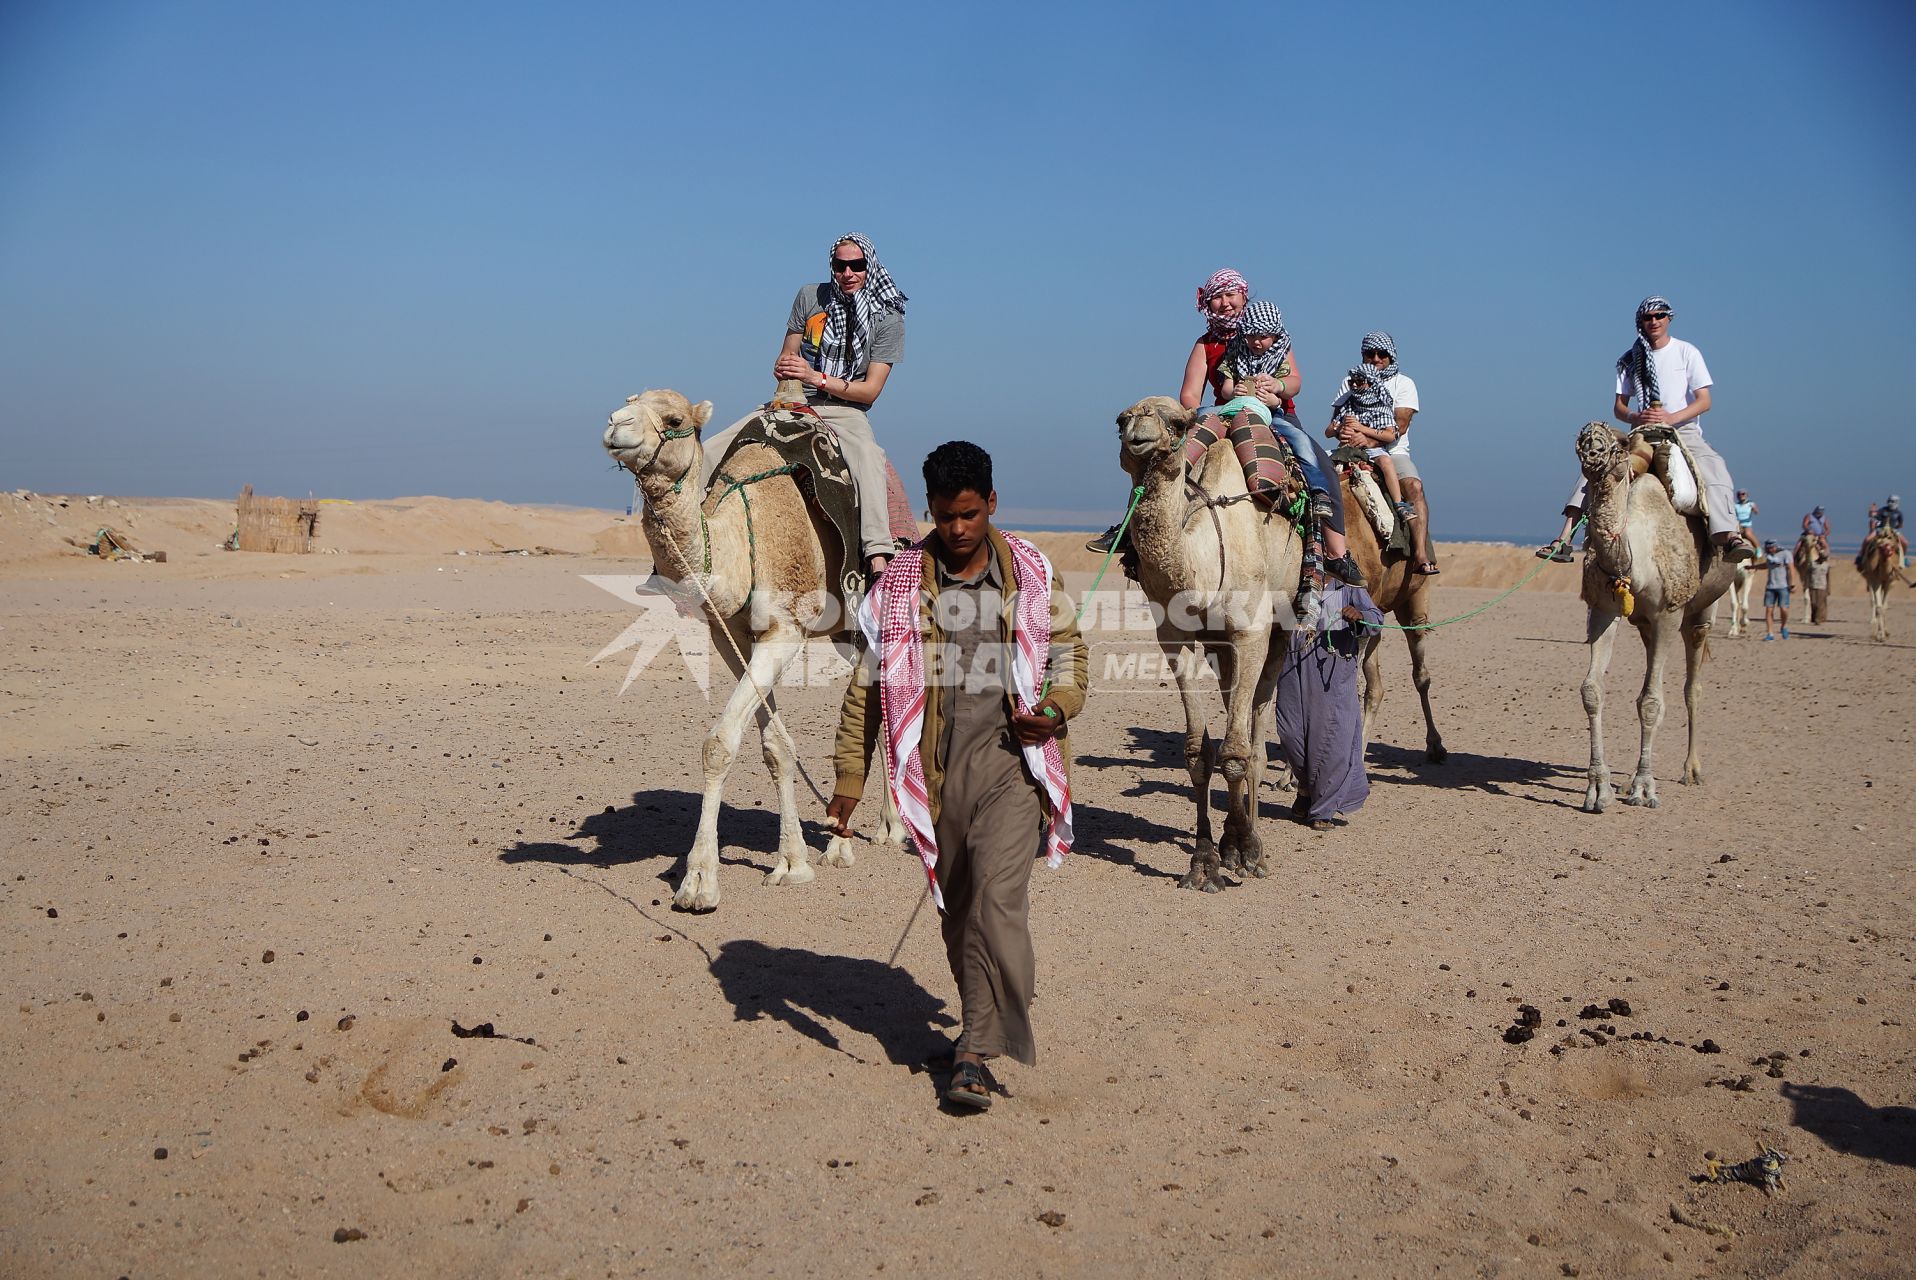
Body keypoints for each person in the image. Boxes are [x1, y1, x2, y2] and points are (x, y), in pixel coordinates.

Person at [829, 441, 1088, 1112]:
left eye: (969, 515)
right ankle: (979, 1025)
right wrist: (849, 780)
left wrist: (1055, 709)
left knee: (997, 906)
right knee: (956, 914)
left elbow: (1069, 654)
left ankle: (975, 1048)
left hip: (1013, 769)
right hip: (936, 773)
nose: (957, 530)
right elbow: (868, 687)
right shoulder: (900, 586)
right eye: (945, 517)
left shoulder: (1030, 571)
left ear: (992, 504)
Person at [700, 233, 907, 578]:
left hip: (845, 410)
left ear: (869, 267)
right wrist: (784, 365)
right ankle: (680, 547)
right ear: (833, 266)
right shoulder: (810, 296)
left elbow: (870, 391)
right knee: (710, 450)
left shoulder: (889, 318)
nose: (848, 273)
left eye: (856, 266)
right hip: (792, 400)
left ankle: (877, 555)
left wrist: (816, 378)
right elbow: (786, 355)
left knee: (869, 458)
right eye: (840, 266)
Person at [1540, 296, 1755, 564]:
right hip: (1640, 433)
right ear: (1640, 322)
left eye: (1659, 316)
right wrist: (1634, 416)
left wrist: (1671, 418)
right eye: (1648, 317)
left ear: (1669, 319)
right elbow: (1619, 407)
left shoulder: (1687, 352)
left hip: (1682, 431)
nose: (1654, 321)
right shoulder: (1629, 360)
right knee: (1596, 465)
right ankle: (1564, 539)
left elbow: (1704, 401)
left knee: (1714, 466)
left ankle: (1729, 535)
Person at [1212, 300, 1365, 584]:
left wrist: (1277, 389)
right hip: (1235, 410)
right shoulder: (1234, 351)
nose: (1258, 342)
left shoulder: (1282, 349)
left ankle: (1333, 540)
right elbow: (1226, 386)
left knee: (1308, 450)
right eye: (1252, 336)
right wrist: (1238, 390)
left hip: (1274, 413)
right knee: (1191, 429)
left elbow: (1295, 382)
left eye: (1264, 336)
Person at [1275, 583, 1384, 829]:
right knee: (1290, 732)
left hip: (1333, 667)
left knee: (1332, 739)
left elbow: (1377, 618)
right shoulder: (1294, 576)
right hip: (1292, 662)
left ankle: (1322, 808)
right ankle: (1305, 788)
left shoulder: (1348, 584)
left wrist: (1361, 616)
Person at [1346, 332, 1437, 574]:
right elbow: (1339, 419)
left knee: (1414, 487)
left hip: (1392, 452)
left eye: (1382, 354)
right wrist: (1344, 432)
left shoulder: (1403, 384)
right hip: (1352, 449)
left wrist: (1365, 436)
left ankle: (1419, 553)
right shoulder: (1351, 381)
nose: (1376, 359)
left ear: (1391, 355)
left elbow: (1400, 426)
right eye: (1370, 354)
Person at [1327, 364, 1417, 527]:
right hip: (1345, 448)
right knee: (1317, 461)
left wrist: (1362, 429)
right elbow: (1327, 432)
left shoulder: (1381, 406)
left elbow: (1390, 434)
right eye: (1352, 382)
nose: (1354, 385)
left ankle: (1399, 504)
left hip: (1373, 449)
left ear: (1370, 382)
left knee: (1387, 463)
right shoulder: (1348, 404)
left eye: (1359, 382)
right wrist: (1339, 429)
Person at [1760, 538, 1792, 640]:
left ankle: (1784, 626)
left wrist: (1792, 584)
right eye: (1768, 548)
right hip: (1770, 587)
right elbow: (1766, 565)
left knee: (1783, 609)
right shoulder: (1769, 556)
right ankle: (1770, 633)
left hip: (1783, 586)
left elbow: (1791, 568)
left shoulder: (1785, 554)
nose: (1770, 549)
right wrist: (1752, 567)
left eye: (1771, 547)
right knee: (1769, 610)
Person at [1807, 545, 1831, 625]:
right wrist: (1808, 584)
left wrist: (1828, 588)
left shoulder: (1826, 565)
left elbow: (1828, 577)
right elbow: (1808, 574)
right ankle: (1814, 617)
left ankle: (1819, 619)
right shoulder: (1813, 564)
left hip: (1822, 586)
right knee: (1813, 602)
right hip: (1813, 585)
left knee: (1820, 604)